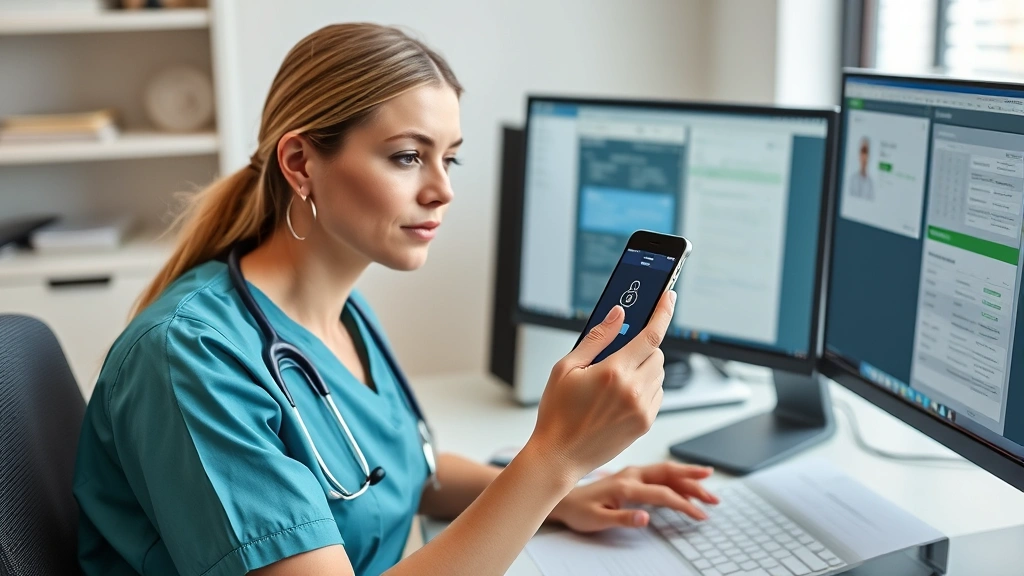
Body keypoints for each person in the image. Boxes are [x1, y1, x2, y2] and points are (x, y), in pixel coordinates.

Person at [73, 23, 717, 576]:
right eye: (408, 157)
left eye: (450, 161)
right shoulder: (191, 357)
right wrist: (554, 457)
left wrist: (565, 492)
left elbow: (409, 472)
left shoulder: (342, 313)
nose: (442, 191)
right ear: (300, 163)